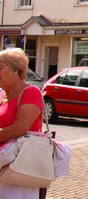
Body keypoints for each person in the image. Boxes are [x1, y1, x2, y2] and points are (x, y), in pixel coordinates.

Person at [0, 48, 44, 199]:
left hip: (18, 167)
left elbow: (19, 129)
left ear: (16, 70)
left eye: (0, 67)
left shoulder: (30, 92)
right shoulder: (2, 95)